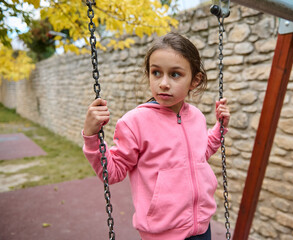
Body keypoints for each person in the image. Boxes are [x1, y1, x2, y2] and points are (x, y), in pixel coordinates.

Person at [82, 32, 230, 240]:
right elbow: (112, 173)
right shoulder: (135, 122)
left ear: (194, 80)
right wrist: (91, 136)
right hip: (161, 232)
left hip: (201, 227)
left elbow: (200, 153)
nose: (163, 83)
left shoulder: (195, 116)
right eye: (156, 73)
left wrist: (219, 128)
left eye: (175, 74)